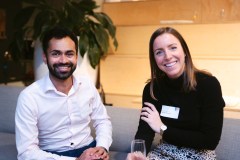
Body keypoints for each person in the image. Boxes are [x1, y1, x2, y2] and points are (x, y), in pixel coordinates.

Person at [15, 26, 112, 160]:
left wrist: (101, 147)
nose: (63, 60)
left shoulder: (87, 85)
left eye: (69, 53)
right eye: (56, 53)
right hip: (51, 155)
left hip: (90, 150)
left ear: (76, 57)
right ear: (45, 57)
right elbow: (26, 152)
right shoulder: (29, 97)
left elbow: (102, 121)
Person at [129, 27, 225, 160]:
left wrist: (162, 128)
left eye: (173, 48)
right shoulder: (152, 89)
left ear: (184, 51)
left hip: (199, 155)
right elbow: (145, 131)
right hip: (162, 153)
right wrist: (138, 154)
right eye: (159, 52)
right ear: (154, 59)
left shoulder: (208, 85)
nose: (167, 56)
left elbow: (210, 141)